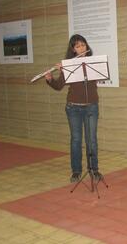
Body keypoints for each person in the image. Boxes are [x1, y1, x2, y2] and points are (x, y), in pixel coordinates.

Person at [45, 34, 102, 183]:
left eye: (83, 45)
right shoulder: (69, 64)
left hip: (91, 106)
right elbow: (58, 87)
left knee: (92, 140)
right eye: (78, 46)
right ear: (73, 50)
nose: (82, 48)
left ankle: (94, 170)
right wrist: (51, 79)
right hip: (73, 108)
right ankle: (76, 171)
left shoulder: (93, 63)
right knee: (76, 140)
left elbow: (99, 78)